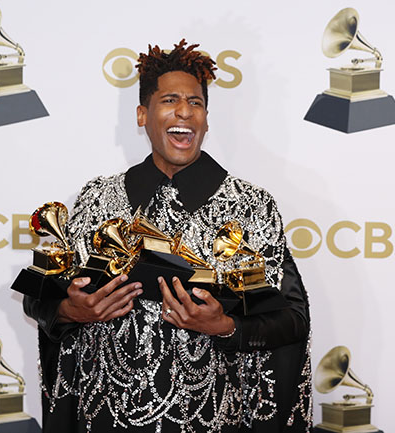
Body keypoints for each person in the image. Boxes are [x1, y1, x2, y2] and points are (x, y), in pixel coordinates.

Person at [23, 39, 312, 433]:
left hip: (213, 421)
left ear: (207, 120)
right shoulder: (96, 199)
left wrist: (225, 326)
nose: (184, 111)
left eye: (195, 103)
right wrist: (69, 311)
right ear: (142, 115)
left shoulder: (251, 206)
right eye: (170, 100)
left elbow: (292, 319)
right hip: (105, 420)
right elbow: (40, 297)